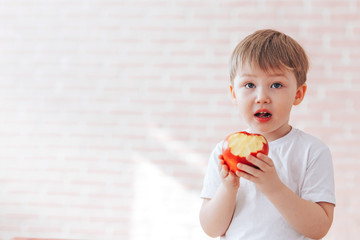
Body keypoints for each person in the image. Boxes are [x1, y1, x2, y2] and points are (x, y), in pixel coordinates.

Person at [199, 29, 336, 240]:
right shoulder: (222, 152)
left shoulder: (312, 151)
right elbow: (211, 228)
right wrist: (228, 189)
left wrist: (274, 187)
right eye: (250, 85)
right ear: (234, 94)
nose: (262, 97)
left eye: (276, 85)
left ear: (298, 94)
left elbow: (319, 228)